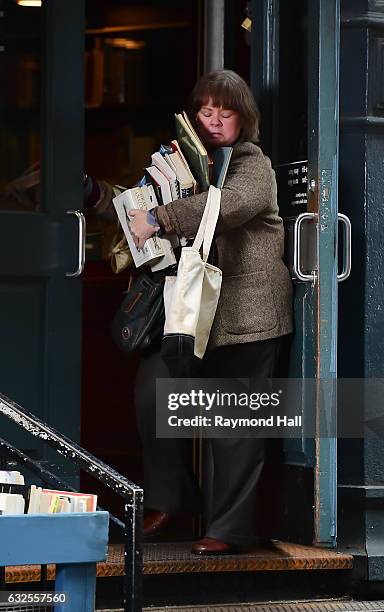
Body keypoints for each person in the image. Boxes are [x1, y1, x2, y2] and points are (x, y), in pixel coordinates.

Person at [124, 69, 294, 555]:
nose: (216, 120)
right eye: (206, 111)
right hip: (194, 314)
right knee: (154, 391)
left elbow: (229, 206)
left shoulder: (252, 164)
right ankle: (173, 502)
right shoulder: (185, 166)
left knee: (233, 426)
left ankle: (229, 529)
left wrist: (160, 217)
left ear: (245, 118)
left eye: (227, 111)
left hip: (248, 314)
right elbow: (142, 205)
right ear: (193, 116)